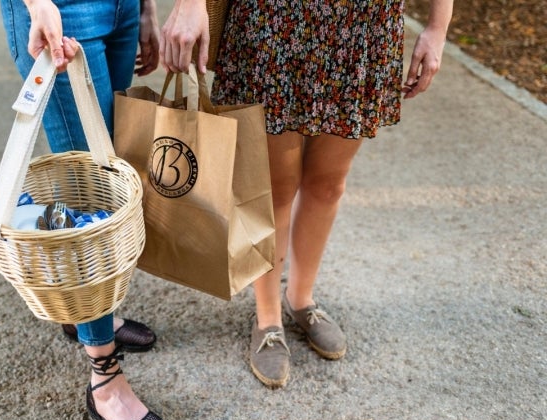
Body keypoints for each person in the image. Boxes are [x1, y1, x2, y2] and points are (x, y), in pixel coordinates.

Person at [161, 0, 453, 388]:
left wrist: (437, 28)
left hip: (364, 27)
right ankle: (267, 317)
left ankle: (301, 299)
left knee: (328, 184)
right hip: (276, 20)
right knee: (274, 186)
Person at [0, 0, 177, 420]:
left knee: (108, 165)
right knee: (90, 196)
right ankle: (105, 382)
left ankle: (92, 318)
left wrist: (143, 9)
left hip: (120, 7)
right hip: (64, 9)